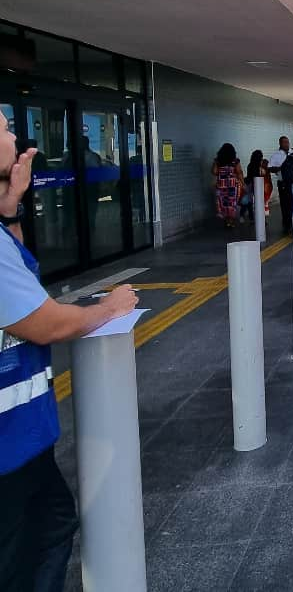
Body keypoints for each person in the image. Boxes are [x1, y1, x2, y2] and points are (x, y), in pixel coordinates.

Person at [0, 114, 139, 591]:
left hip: (20, 440)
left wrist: (10, 207)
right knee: (27, 551)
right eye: (1, 129)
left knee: (49, 526)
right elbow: (47, 322)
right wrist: (108, 307)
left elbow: (19, 284)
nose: (15, 136)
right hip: (7, 446)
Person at [211, 143, 244, 228]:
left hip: (222, 186)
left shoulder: (218, 161)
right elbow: (239, 172)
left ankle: (227, 221)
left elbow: (214, 172)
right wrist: (243, 183)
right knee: (232, 203)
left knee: (223, 203)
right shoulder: (235, 161)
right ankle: (231, 221)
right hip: (233, 186)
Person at [268, 136, 292, 233]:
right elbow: (269, 168)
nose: (286, 144)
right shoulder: (276, 155)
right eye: (284, 142)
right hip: (283, 182)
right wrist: (279, 168)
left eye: (287, 142)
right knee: (285, 203)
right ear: (280, 143)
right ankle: (286, 224)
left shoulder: (292, 153)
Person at [245, 150, 268, 221]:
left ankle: (251, 217)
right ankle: (261, 217)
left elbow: (249, 175)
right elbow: (262, 175)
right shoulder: (259, 167)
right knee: (260, 202)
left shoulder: (249, 165)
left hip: (249, 184)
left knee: (250, 202)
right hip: (257, 185)